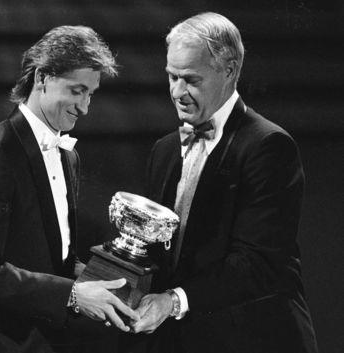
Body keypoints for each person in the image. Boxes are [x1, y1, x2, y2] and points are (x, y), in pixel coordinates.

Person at [0, 25, 139, 353]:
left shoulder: (68, 156)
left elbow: (50, 255)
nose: (85, 107)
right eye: (77, 91)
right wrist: (73, 295)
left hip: (43, 341)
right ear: (43, 78)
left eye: (90, 94)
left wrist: (103, 277)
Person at [130, 12, 319, 353]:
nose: (177, 92)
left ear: (229, 71)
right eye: (171, 77)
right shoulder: (165, 150)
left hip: (251, 339)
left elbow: (257, 264)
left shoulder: (268, 146)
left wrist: (173, 301)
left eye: (191, 79)